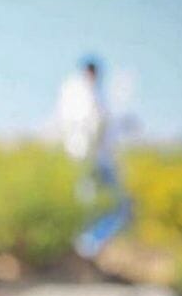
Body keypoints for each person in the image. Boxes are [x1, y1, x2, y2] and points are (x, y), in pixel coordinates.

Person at [55, 56, 133, 258]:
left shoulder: (93, 93)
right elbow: (91, 124)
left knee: (114, 205)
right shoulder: (78, 92)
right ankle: (87, 245)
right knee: (100, 203)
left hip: (95, 157)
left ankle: (88, 244)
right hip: (86, 156)